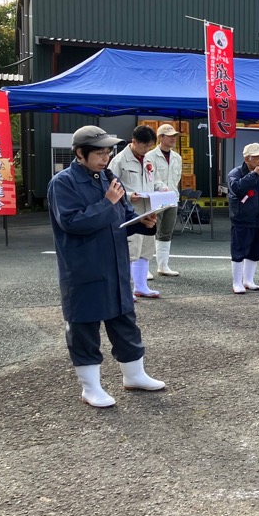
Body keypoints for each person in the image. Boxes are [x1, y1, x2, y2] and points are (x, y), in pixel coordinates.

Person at [47, 125, 166, 408]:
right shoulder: (63, 183)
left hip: (115, 264)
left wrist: (142, 222)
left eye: (108, 152)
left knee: (124, 320)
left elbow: (122, 216)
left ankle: (134, 375)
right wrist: (106, 202)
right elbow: (72, 223)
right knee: (84, 325)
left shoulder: (108, 177)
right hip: (84, 266)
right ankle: (90, 387)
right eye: (99, 153)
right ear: (80, 153)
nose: (105, 158)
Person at [109, 124, 162, 299]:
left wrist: (161, 187)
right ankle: (125, 289)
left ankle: (141, 287)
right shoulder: (119, 161)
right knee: (130, 250)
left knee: (146, 249)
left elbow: (156, 180)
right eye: (145, 145)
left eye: (150, 146)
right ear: (134, 141)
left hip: (148, 210)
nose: (147, 149)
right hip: (130, 212)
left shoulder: (148, 159)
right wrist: (129, 195)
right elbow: (109, 186)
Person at [228, 143, 259, 294]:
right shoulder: (235, 174)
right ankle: (237, 282)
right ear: (247, 159)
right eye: (256, 157)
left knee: (255, 251)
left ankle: (248, 280)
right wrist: (253, 175)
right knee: (238, 252)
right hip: (241, 219)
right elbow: (238, 189)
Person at [146, 123, 183, 277]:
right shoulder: (150, 156)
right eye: (170, 136)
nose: (173, 139)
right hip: (154, 198)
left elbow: (177, 178)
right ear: (160, 137)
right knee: (149, 231)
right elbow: (150, 178)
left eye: (175, 136)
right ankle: (144, 268)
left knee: (166, 232)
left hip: (172, 198)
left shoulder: (177, 157)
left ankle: (163, 266)